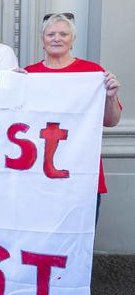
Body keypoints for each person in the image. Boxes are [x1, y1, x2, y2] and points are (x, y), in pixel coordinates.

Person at [25, 12, 122, 224]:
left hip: (80, 175)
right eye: (50, 34)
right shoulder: (27, 75)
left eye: (63, 34)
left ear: (73, 39)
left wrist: (111, 97)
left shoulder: (93, 73)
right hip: (37, 174)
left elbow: (111, 121)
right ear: (43, 39)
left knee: (77, 237)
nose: (56, 38)